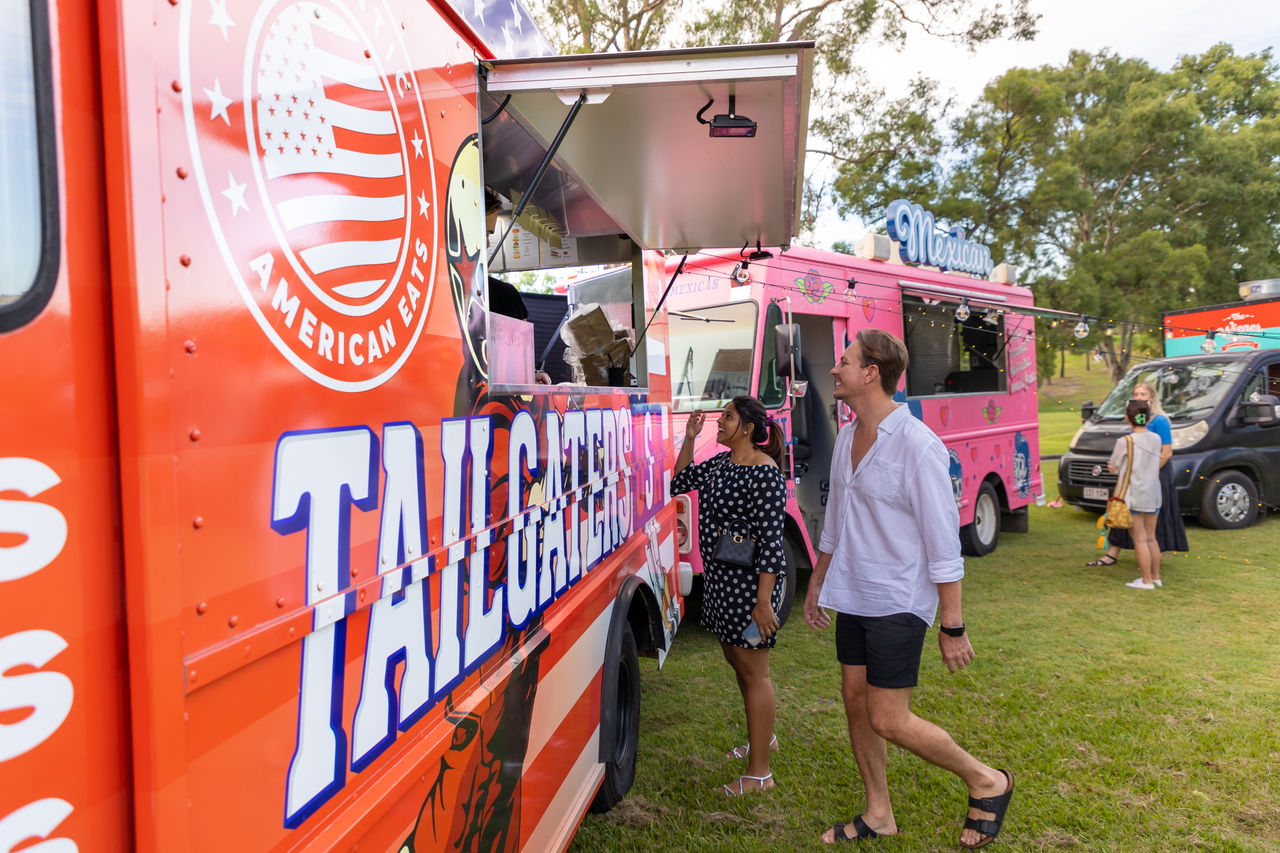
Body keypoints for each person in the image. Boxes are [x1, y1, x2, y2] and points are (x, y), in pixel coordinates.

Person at [802, 329, 1013, 848]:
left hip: (898, 599)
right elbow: (836, 521)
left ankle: (987, 780)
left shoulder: (918, 445)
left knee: (887, 717)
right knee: (855, 700)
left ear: (870, 373)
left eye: (844, 362)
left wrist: (952, 624)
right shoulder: (847, 436)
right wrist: (817, 582)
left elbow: (944, 543)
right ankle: (879, 813)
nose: (834, 370)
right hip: (854, 593)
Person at [671, 395, 788, 796]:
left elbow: (772, 544)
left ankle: (760, 774)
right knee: (738, 664)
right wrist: (689, 438)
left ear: (749, 428)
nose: (718, 422)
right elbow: (679, 482)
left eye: (728, 417)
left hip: (751, 589)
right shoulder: (722, 464)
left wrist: (763, 603)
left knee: (755, 673)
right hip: (722, 583)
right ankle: (764, 740)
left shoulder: (765, 473)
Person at [1086, 381, 1188, 578]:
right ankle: (1115, 553)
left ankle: (1149, 565)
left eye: (1142, 394)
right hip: (1136, 477)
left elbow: (1166, 453)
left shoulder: (1159, 421)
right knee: (1126, 516)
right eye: (1136, 394)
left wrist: (1146, 472)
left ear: (1151, 397)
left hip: (1154, 475)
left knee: (1147, 525)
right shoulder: (1137, 422)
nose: (1138, 397)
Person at [1109, 399, 1163, 589]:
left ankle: (1146, 581)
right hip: (1154, 493)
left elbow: (1114, 466)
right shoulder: (1156, 439)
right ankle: (1155, 577)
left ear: (1127, 418)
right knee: (1151, 538)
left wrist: (1113, 467)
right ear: (1148, 418)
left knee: (1139, 539)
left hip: (1134, 495)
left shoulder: (1125, 441)